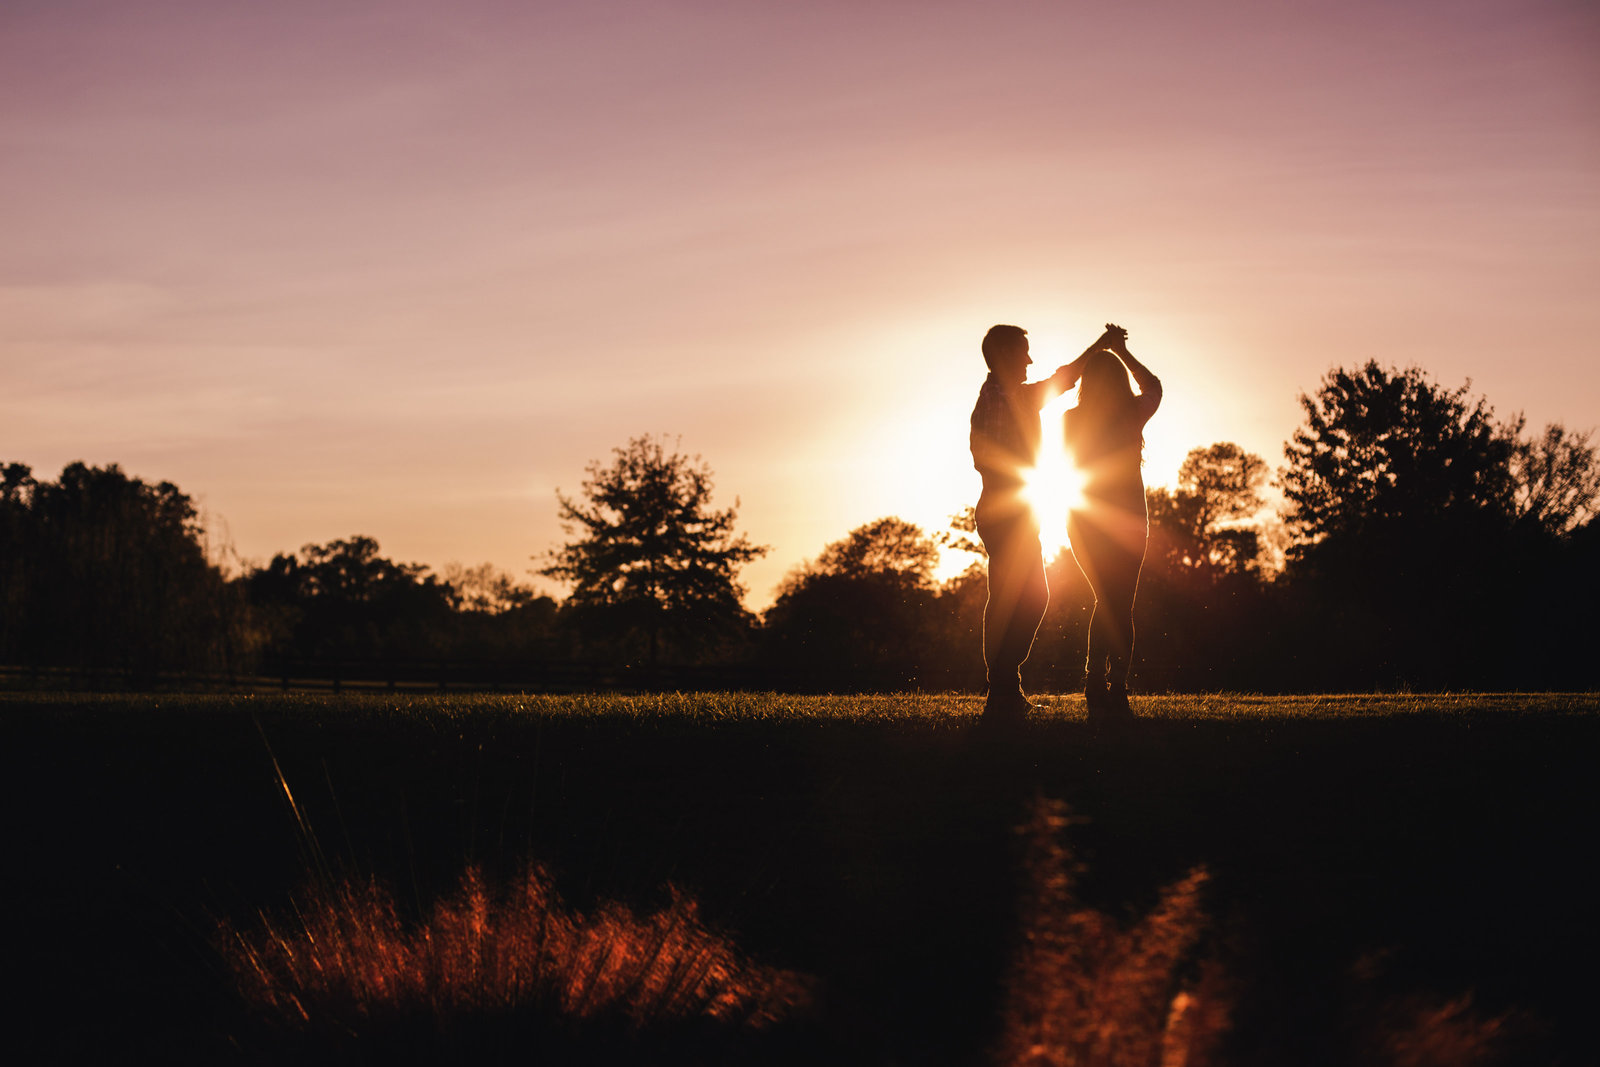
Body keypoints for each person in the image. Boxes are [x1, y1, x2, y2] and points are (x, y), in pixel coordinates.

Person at [970, 323, 1123, 722]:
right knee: (1029, 596)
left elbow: (1062, 379)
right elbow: (993, 461)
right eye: (1023, 352)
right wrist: (1100, 346)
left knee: (1012, 597)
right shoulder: (1006, 399)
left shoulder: (1003, 397)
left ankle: (1002, 688)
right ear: (1003, 355)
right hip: (1008, 515)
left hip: (1009, 512)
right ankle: (1002, 686)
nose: (1029, 359)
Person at [1062, 326, 1162, 721]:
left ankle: (1095, 685)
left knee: (1107, 602)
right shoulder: (1131, 415)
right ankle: (1112, 686)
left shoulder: (1071, 420)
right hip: (1128, 523)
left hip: (1083, 520)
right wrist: (1122, 352)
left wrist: (1101, 351)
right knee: (1119, 605)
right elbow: (1153, 386)